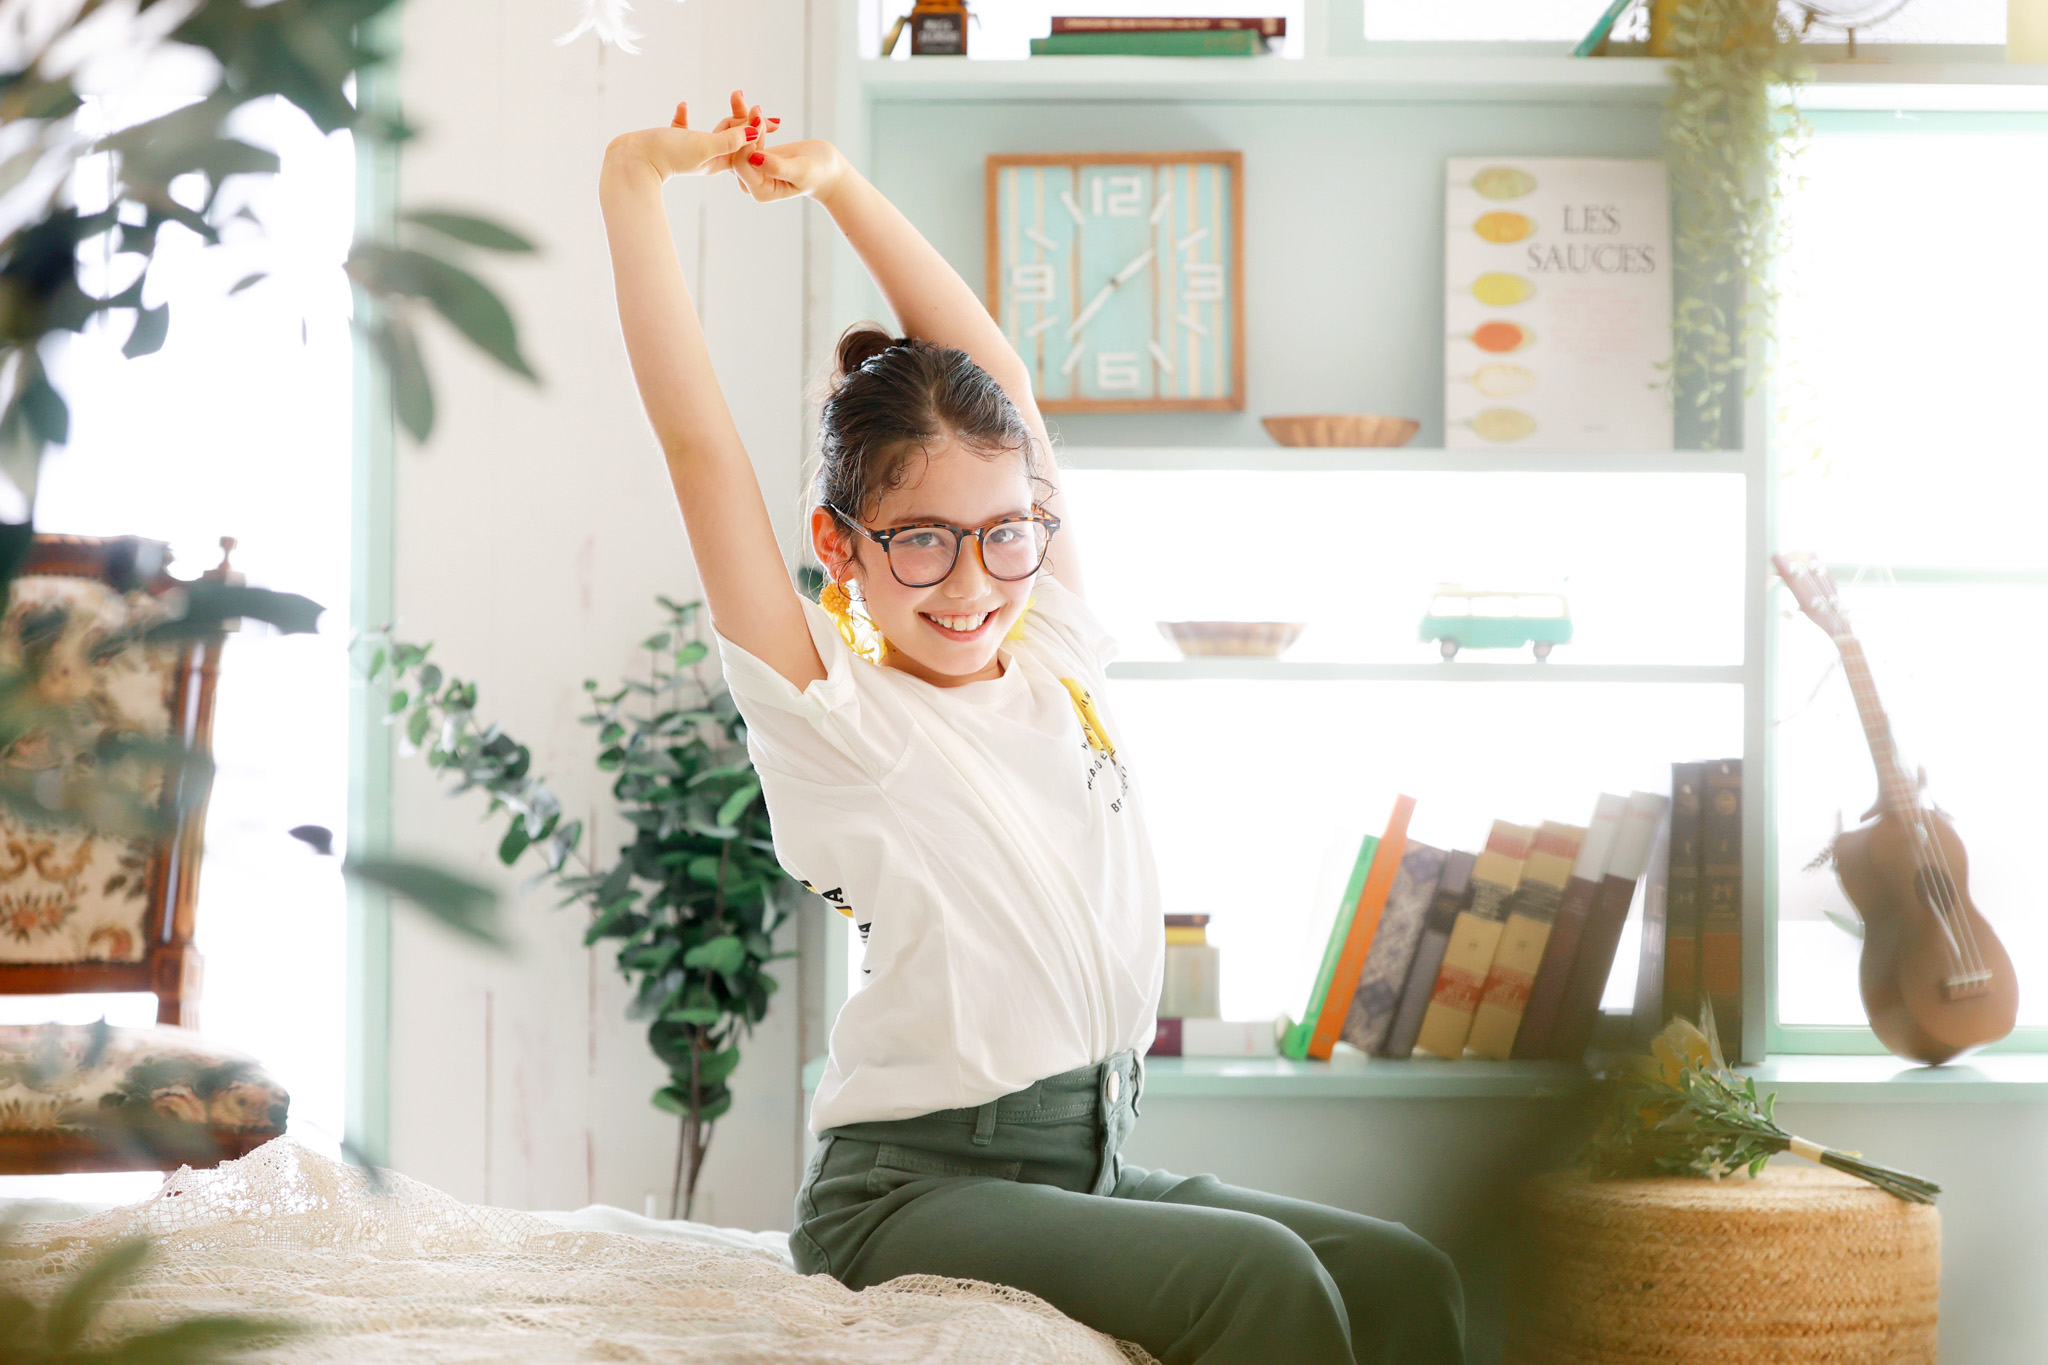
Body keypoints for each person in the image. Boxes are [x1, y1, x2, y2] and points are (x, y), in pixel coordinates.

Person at [597, 89, 1466, 1365]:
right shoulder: (832, 710)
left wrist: (839, 184)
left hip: (1096, 1155)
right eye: (920, 543)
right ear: (840, 546)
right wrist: (633, 181)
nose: (969, 583)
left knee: (1403, 1276)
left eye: (1002, 534)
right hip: (913, 1187)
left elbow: (992, 377)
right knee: (1262, 1284)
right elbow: (698, 451)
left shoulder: (1051, 640)